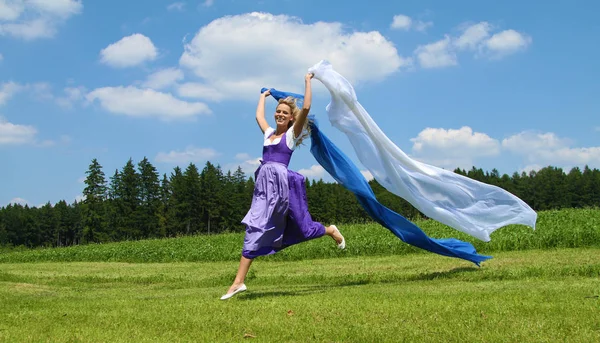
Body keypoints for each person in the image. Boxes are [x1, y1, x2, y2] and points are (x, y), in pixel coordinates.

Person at [220, 73, 345, 300]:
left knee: (303, 228)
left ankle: (329, 230)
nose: (279, 114)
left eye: (284, 113)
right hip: (264, 190)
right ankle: (238, 282)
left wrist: (308, 80)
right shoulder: (268, 134)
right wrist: (263, 96)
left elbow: (306, 107)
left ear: (290, 119)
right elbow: (259, 116)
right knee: (254, 228)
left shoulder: (290, 136)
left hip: (283, 189)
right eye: (278, 111)